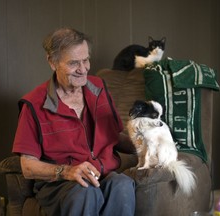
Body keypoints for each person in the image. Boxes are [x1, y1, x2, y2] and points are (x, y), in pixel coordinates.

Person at [12, 27, 136, 216]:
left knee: (123, 184)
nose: (83, 69)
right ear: (52, 62)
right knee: (86, 192)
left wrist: (146, 144)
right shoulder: (34, 105)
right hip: (61, 184)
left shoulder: (99, 87)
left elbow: (113, 136)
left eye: (86, 60)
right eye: (73, 63)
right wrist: (66, 171)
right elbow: (27, 166)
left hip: (102, 173)